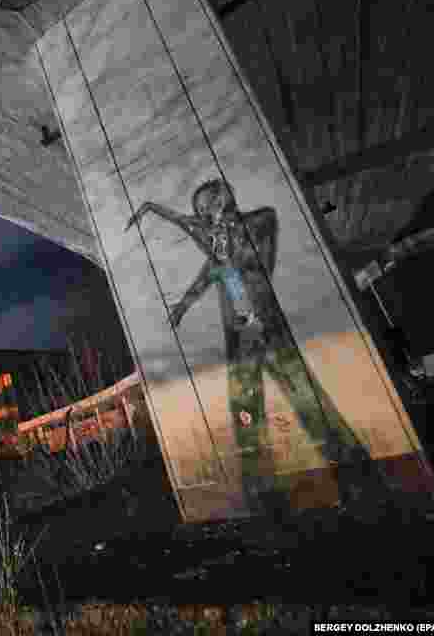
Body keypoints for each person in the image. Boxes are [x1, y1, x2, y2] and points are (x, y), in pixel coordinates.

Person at [127, 179, 369, 511]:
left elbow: (251, 259)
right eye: (198, 211)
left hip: (266, 322)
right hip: (240, 332)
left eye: (204, 208)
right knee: (245, 406)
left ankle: (352, 470)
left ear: (219, 203)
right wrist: (183, 301)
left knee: (302, 392)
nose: (200, 216)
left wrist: (220, 240)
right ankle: (261, 489)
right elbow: (208, 262)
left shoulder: (257, 222)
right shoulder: (216, 246)